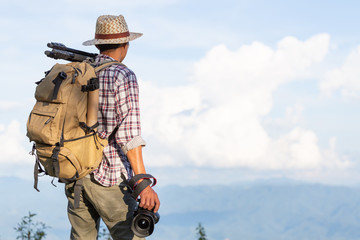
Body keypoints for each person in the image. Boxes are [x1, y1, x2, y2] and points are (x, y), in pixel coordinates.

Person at [65, 15, 160, 240]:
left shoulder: (80, 72)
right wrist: (143, 183)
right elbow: (129, 137)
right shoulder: (122, 75)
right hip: (107, 177)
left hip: (75, 174)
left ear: (97, 45)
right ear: (126, 45)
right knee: (132, 236)